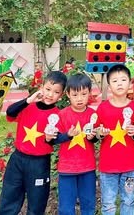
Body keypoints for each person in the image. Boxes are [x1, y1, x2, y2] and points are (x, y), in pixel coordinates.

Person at [0, 70, 67, 215]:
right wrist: (28, 100)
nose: (50, 94)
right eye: (48, 89)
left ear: (61, 95)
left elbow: (55, 140)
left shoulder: (58, 115)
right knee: (9, 197)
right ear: (41, 87)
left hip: (39, 163)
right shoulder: (28, 107)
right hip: (18, 159)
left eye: (56, 92)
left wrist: (51, 137)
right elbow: (10, 113)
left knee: (37, 201)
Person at [48, 73, 98, 215]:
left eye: (84, 94)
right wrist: (68, 135)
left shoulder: (93, 115)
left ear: (89, 93)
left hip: (87, 168)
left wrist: (93, 137)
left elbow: (96, 138)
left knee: (88, 204)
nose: (79, 99)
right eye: (75, 95)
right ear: (68, 95)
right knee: (66, 207)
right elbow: (54, 139)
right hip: (67, 169)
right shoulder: (62, 115)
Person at [95, 64, 134, 215]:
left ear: (130, 83)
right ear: (109, 86)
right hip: (108, 166)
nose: (119, 83)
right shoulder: (103, 108)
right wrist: (100, 133)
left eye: (123, 80)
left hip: (129, 165)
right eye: (115, 81)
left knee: (128, 200)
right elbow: (95, 132)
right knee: (108, 203)